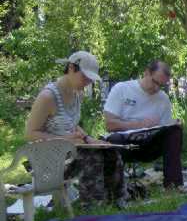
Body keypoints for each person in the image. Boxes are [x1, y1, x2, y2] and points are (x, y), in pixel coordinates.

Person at [25, 51, 127, 207]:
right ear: (71, 68)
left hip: (69, 152)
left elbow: (70, 123)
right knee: (91, 156)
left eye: (90, 79)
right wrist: (65, 139)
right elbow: (30, 134)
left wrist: (89, 139)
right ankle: (92, 206)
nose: (87, 82)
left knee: (110, 150)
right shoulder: (48, 97)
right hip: (46, 159)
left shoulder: (78, 94)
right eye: (85, 77)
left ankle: (116, 200)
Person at [103, 60, 183, 188]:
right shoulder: (122, 89)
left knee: (175, 131)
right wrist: (140, 124)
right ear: (146, 73)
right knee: (113, 140)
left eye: (161, 85)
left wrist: (173, 124)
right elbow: (109, 124)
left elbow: (164, 128)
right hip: (124, 143)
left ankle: (173, 185)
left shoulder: (163, 98)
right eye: (155, 82)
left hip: (149, 145)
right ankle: (114, 190)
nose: (157, 88)